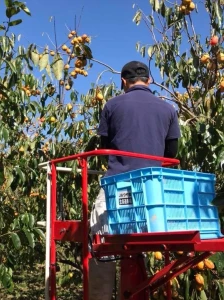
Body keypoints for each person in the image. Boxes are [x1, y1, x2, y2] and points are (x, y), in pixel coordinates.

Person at [89, 61, 181, 300]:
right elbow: (171, 153)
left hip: (117, 188)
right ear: (149, 81)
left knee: (100, 246)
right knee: (140, 248)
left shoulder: (112, 105)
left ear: (123, 82)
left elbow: (104, 146)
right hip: (153, 194)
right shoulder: (168, 109)